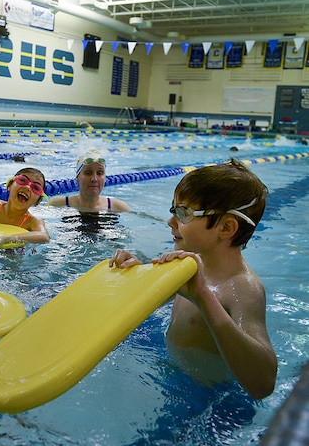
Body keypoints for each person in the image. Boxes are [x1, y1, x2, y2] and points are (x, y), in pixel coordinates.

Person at [109, 159, 277, 400]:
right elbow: (139, 303)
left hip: (208, 400)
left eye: (183, 213)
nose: (171, 222)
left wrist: (203, 298)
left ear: (226, 227)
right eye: (174, 210)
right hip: (172, 380)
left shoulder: (242, 286)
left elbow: (263, 384)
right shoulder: (189, 266)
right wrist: (134, 272)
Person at [48, 149, 131, 213]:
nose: (94, 179)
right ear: (77, 177)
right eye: (88, 173)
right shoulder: (58, 204)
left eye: (99, 173)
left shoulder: (117, 207)